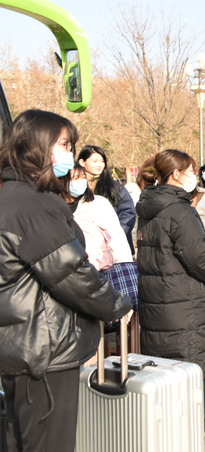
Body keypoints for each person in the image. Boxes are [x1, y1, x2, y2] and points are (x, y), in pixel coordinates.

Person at [0, 109, 131, 452]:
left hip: (19, 344)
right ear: (34, 145)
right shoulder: (33, 204)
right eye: (63, 145)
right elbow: (70, 273)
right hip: (43, 348)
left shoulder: (10, 195)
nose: (69, 155)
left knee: (21, 438)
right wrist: (117, 304)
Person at [135, 149, 205, 452]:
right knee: (188, 369)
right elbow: (198, 257)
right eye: (190, 171)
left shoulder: (147, 208)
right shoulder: (181, 212)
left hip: (155, 300)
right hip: (182, 301)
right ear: (176, 175)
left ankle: (167, 435)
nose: (194, 177)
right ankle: (189, 437)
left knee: (165, 371)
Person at [66, 165, 134, 270]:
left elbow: (117, 239)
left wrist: (125, 266)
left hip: (104, 270)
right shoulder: (55, 209)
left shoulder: (99, 203)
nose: (80, 181)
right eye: (75, 178)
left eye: (83, 177)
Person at [78, 145, 136, 253]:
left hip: (114, 249)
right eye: (95, 161)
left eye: (102, 161)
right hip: (84, 248)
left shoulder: (115, 188)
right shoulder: (75, 187)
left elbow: (128, 214)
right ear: (82, 162)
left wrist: (113, 238)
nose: (99, 164)